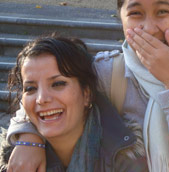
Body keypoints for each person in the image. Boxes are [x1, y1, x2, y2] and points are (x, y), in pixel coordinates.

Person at [5, 0, 169, 171]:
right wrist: (29, 139)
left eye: (162, 12)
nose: (149, 29)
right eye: (135, 14)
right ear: (120, 17)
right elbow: (43, 97)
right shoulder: (109, 71)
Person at [1, 36, 147, 171]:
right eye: (31, 88)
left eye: (58, 84)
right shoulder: (12, 162)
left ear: (86, 94)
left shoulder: (126, 159)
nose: (41, 98)